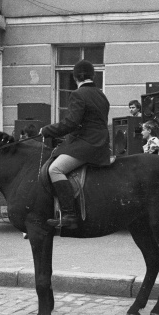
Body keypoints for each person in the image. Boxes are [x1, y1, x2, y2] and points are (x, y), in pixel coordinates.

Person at [39, 59, 111, 230]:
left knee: (54, 169)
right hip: (101, 144)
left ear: (75, 77)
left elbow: (71, 123)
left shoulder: (78, 94)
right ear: (93, 76)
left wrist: (47, 130)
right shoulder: (101, 95)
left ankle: (69, 215)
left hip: (86, 145)